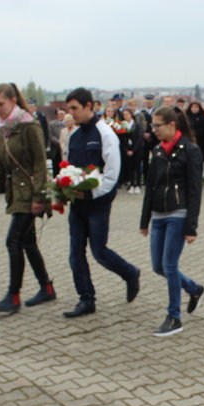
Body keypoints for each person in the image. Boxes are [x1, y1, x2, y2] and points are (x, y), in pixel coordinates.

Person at [61, 87, 141, 318]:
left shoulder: (105, 134)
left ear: (89, 106)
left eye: (75, 108)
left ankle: (130, 273)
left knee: (99, 251)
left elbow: (112, 175)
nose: (71, 113)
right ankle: (86, 299)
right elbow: (69, 169)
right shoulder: (75, 136)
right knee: (75, 254)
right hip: (78, 204)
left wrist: (90, 194)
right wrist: (65, 189)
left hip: (97, 204)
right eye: (68, 109)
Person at [0, 83, 55, 314]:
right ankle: (47, 287)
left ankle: (13, 295)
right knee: (28, 242)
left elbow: (40, 163)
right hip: (16, 194)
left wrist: (39, 197)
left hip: (31, 193)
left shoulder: (28, 125)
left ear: (13, 101)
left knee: (12, 241)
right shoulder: (2, 129)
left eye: (0, 104)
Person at [139, 106, 204, 337]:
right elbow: (150, 187)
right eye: (152, 126)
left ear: (171, 125)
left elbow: (195, 190)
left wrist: (191, 227)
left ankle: (174, 317)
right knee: (158, 267)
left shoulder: (190, 150)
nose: (154, 130)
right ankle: (194, 289)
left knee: (169, 265)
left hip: (178, 214)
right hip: (158, 215)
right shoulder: (157, 150)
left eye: (157, 125)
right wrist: (144, 220)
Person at [120, 108, 143, 194]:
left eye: (127, 114)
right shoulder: (123, 125)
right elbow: (123, 139)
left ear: (131, 114)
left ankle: (138, 184)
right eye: (124, 114)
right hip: (128, 149)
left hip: (137, 149)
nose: (125, 116)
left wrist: (133, 150)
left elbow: (139, 138)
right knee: (130, 167)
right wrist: (127, 150)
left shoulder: (137, 124)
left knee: (137, 167)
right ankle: (132, 184)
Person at [186, 101, 204, 179]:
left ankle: (201, 176)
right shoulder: (187, 117)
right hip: (189, 141)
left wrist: (195, 135)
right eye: (193, 107)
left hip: (201, 142)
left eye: (196, 107)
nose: (195, 109)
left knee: (200, 160)